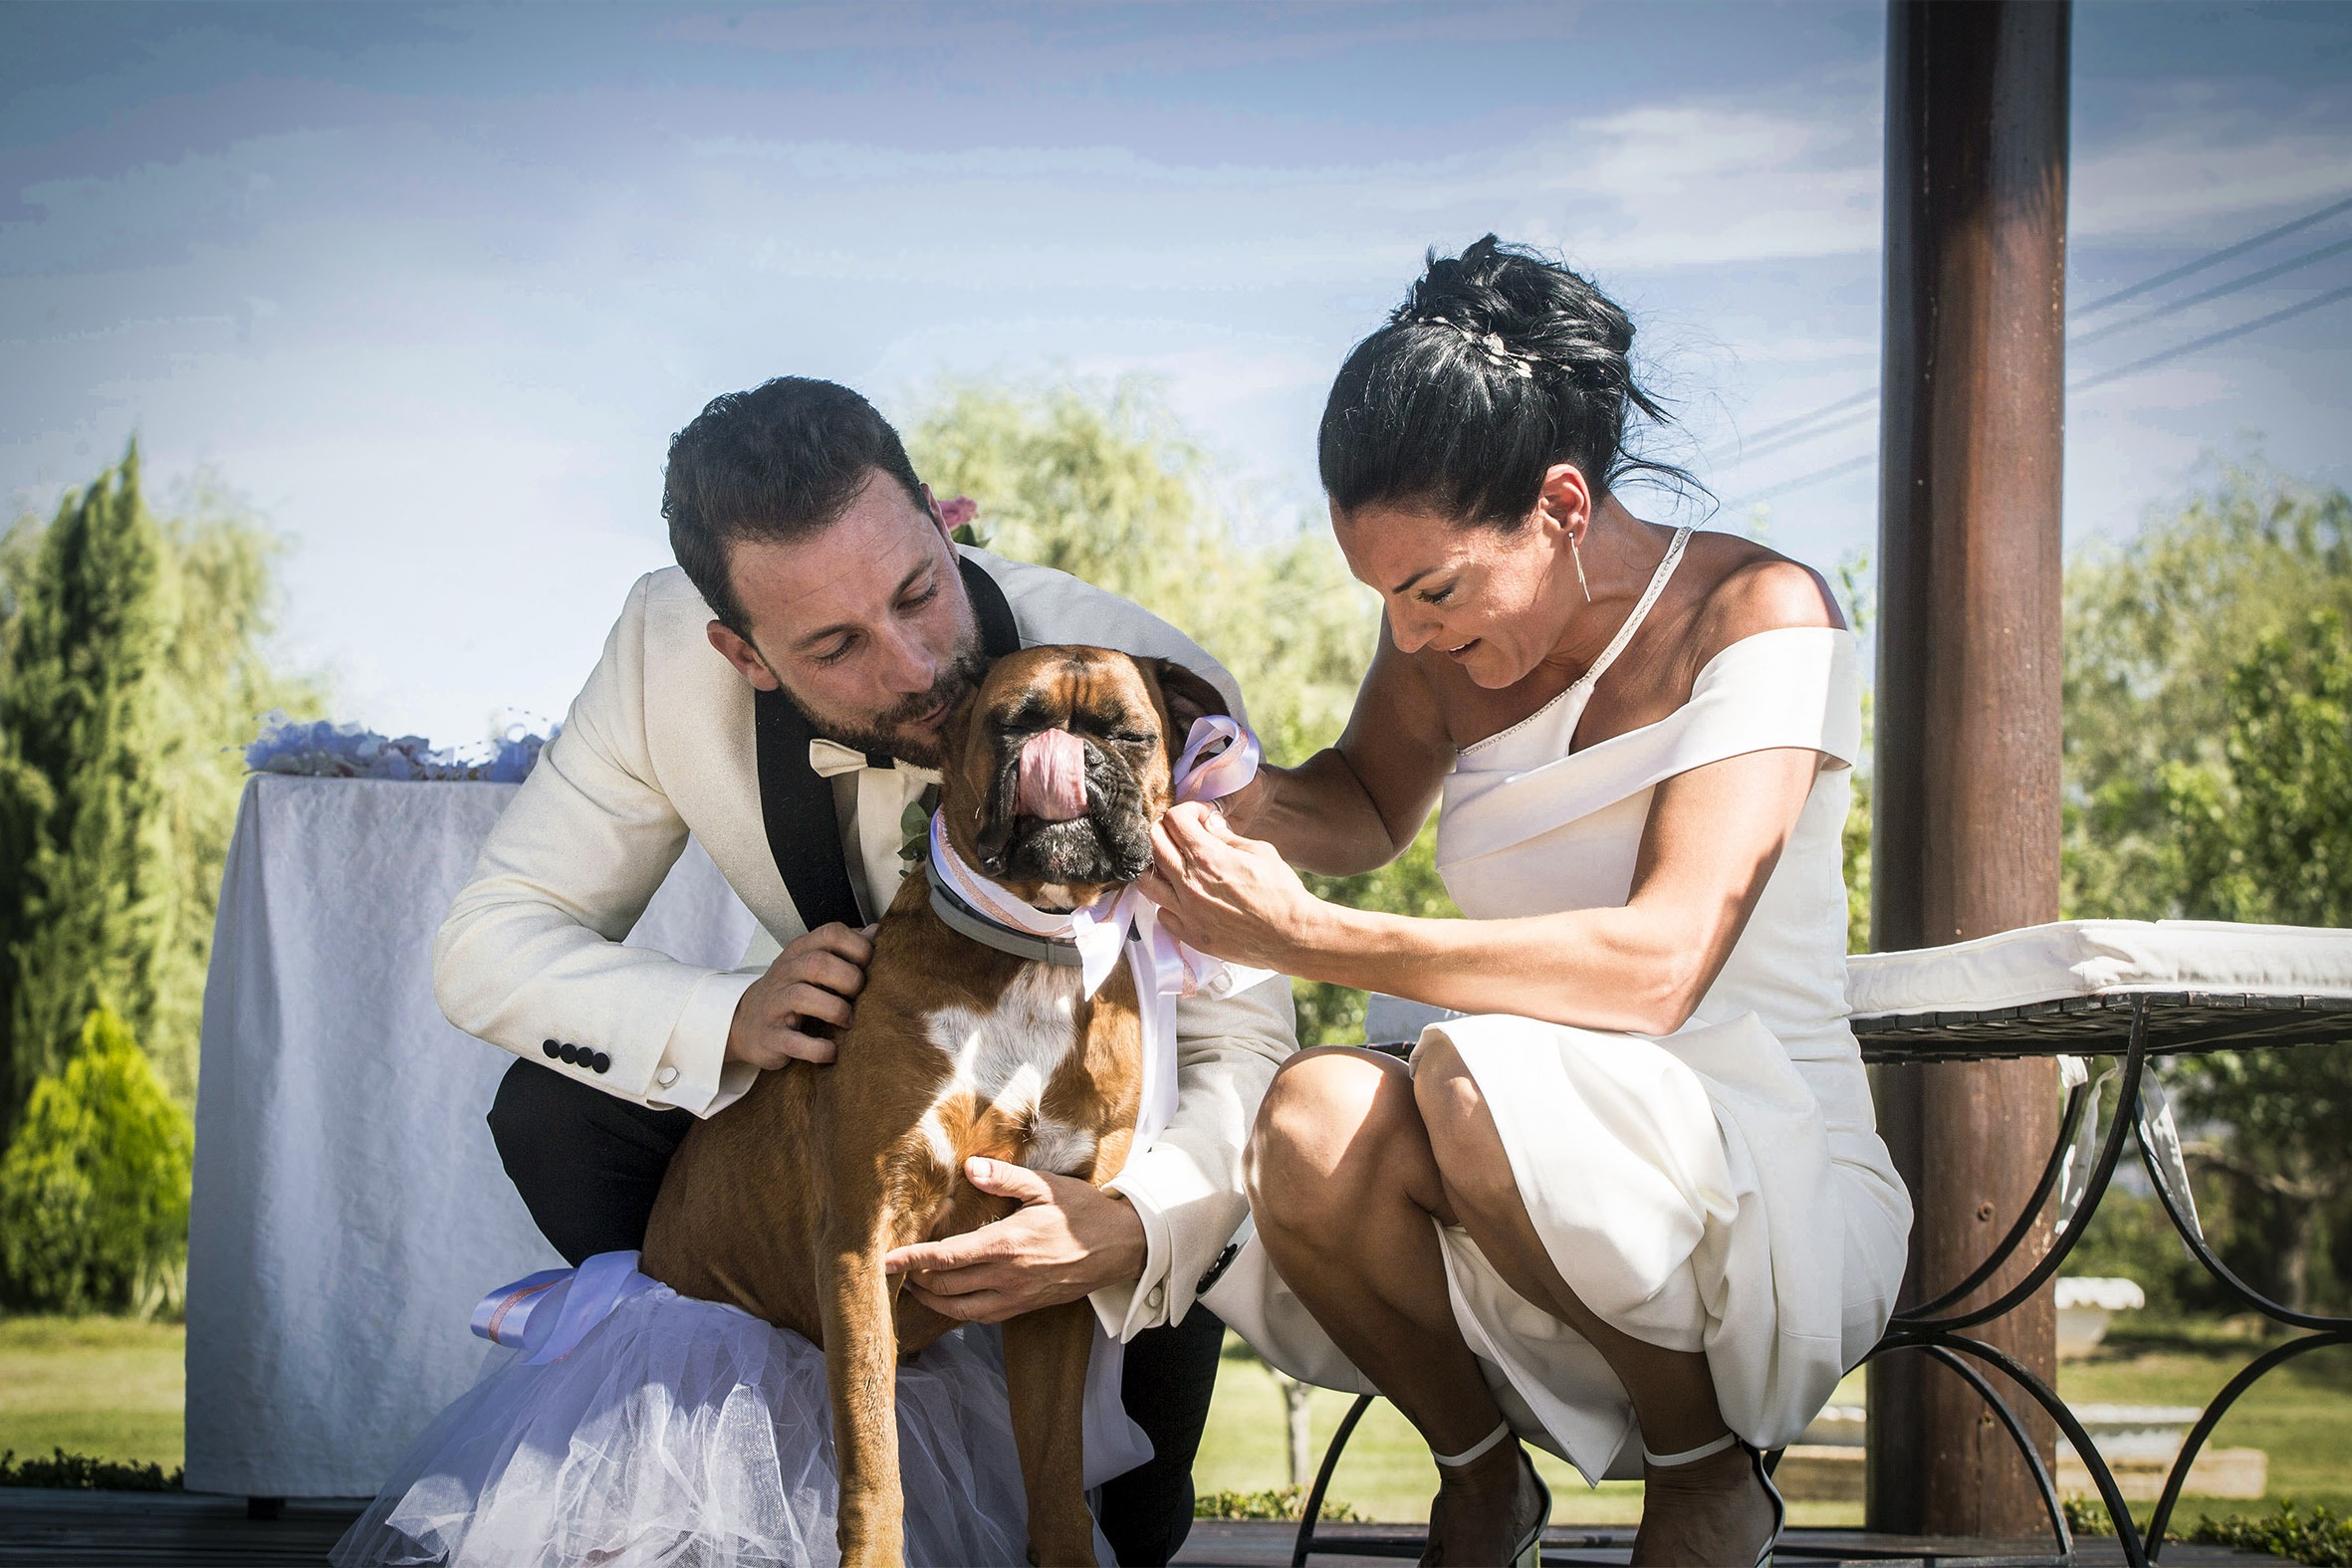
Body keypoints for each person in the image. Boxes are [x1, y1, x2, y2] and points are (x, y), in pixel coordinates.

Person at [430, 376, 1296, 1565]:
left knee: (1122, 1523)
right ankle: (700, 1473)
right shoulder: (660, 655)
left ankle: (1085, 1466)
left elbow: (1244, 1040)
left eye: (917, 593)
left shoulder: (1140, 687)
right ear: (740, 651)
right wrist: (727, 1013)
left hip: (1084, 1141)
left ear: (945, 523)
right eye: (835, 644)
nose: (914, 666)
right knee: (555, 1109)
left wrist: (1136, 1228)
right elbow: (488, 940)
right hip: (831, 1137)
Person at [1154, 237, 1912, 1568]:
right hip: (1491, 1133)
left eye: (1431, 588)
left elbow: (1658, 965)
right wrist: (1227, 788)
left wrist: (1313, 936)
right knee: (1310, 1112)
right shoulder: (1447, 646)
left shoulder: (1757, 610)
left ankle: (1701, 1461)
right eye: (1381, 596)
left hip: (1745, 1140)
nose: (1407, 634)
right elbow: (1364, 806)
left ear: (1560, 502)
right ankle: (1479, 1471)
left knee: (1465, 1073)